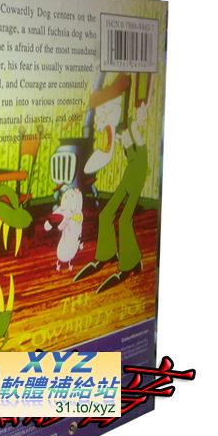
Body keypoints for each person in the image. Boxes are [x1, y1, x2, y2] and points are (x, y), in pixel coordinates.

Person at [74, 73, 148, 293]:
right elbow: (107, 152)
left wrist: (134, 127)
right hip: (130, 172)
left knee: (124, 219)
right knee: (106, 215)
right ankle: (106, 255)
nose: (101, 116)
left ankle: (130, 262)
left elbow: (138, 152)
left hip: (138, 171)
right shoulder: (117, 127)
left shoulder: (130, 126)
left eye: (105, 109)